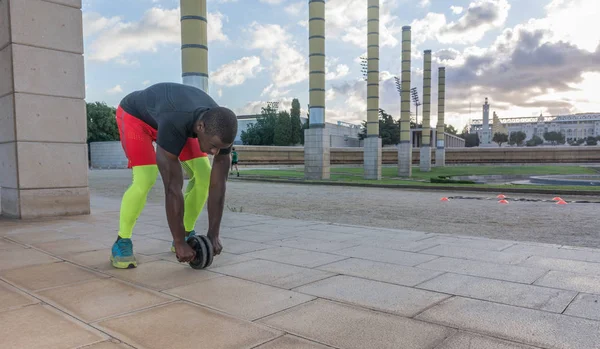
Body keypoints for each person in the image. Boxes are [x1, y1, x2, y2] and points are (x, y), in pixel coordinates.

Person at [110, 82, 238, 269]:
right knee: (146, 177)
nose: (214, 151)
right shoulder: (176, 121)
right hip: (136, 118)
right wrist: (178, 242)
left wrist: (214, 234)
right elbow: (172, 187)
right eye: (213, 146)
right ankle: (122, 240)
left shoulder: (219, 126)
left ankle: (187, 232)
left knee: (204, 174)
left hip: (174, 117)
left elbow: (218, 185)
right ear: (201, 127)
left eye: (221, 148)